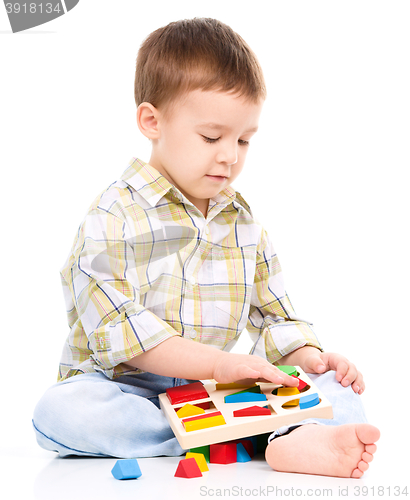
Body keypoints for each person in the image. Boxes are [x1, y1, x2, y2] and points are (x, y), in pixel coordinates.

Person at [32, 18, 380, 478]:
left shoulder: (243, 222)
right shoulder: (113, 215)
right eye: (212, 137)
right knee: (62, 411)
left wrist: (309, 358)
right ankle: (256, 434)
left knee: (340, 389)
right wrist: (221, 363)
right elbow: (122, 331)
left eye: (244, 140)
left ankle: (278, 435)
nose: (230, 156)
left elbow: (275, 318)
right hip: (129, 391)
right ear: (151, 121)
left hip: (220, 392)